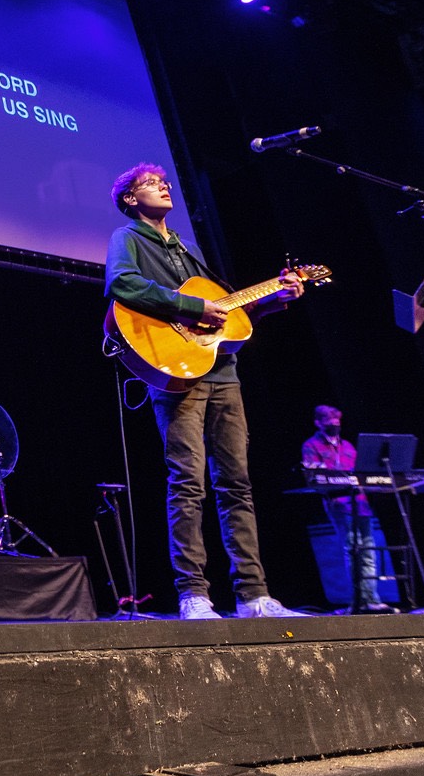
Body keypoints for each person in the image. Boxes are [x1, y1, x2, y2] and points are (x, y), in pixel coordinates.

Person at [104, 162, 309, 620]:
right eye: (151, 184)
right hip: (175, 373)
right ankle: (193, 595)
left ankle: (254, 596)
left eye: (164, 181)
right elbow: (122, 284)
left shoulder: (190, 248)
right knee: (188, 483)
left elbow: (229, 320)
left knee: (237, 484)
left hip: (223, 374)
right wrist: (192, 304)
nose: (164, 185)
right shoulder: (128, 239)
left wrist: (277, 298)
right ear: (131, 199)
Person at [299, 405, 391, 613]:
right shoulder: (312, 445)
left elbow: (360, 472)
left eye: (337, 422)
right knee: (353, 549)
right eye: (330, 422)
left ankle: (372, 599)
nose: (335, 425)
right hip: (340, 504)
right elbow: (314, 475)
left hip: (361, 503)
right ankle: (360, 600)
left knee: (368, 550)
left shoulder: (347, 445)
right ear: (319, 423)